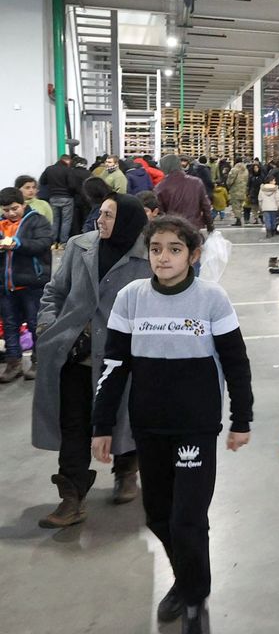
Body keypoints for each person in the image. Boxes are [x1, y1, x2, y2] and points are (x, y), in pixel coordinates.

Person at [91, 214, 253, 634]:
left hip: (195, 427)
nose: (163, 257)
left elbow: (236, 364)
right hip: (149, 426)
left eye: (174, 249)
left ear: (193, 255)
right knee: (158, 516)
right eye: (156, 249)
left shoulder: (212, 300)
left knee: (188, 519)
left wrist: (241, 419)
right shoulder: (131, 298)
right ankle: (185, 579)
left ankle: (195, 599)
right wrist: (102, 425)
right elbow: (113, 366)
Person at [32, 193, 151, 527]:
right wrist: (47, 326)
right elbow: (54, 292)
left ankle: (126, 468)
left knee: (124, 417)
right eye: (100, 213)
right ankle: (72, 496)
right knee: (74, 424)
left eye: (109, 215)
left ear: (127, 219)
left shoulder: (147, 257)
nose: (101, 220)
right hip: (74, 354)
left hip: (121, 358)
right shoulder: (79, 246)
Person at [0, 187, 53, 382]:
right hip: (6, 286)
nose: (11, 213)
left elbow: (44, 243)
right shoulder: (1, 224)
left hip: (32, 284)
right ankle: (12, 362)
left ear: (23, 204)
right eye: (6, 210)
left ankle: (40, 361)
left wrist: (17, 244)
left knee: (35, 324)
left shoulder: (37, 220)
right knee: (9, 325)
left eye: (14, 208)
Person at [156, 155, 214, 234]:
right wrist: (210, 225)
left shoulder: (160, 187)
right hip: (194, 227)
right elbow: (206, 206)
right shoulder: (196, 182)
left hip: (173, 229)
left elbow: (160, 213)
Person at [39, 154, 80, 247]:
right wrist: (72, 194)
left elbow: (42, 181)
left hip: (53, 197)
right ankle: (63, 242)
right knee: (66, 221)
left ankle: (53, 241)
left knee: (55, 220)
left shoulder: (49, 169)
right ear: (67, 161)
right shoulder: (68, 170)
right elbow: (73, 185)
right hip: (67, 198)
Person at [226, 161, 248, 227]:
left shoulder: (234, 170)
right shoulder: (246, 170)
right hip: (243, 190)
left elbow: (230, 181)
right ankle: (240, 218)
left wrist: (228, 185)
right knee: (240, 206)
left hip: (235, 190)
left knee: (236, 206)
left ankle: (238, 220)